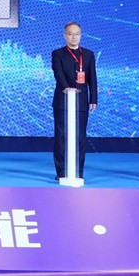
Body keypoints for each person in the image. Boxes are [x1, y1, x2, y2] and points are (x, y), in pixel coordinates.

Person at [51, 22, 97, 180]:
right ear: (64, 35)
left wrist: (93, 99)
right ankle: (61, 171)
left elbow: (92, 78)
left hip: (82, 102)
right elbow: (58, 73)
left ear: (81, 35)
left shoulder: (88, 54)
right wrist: (67, 88)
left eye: (77, 34)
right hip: (62, 101)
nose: (74, 37)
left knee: (80, 137)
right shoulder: (58, 54)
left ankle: (78, 171)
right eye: (70, 34)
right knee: (61, 136)